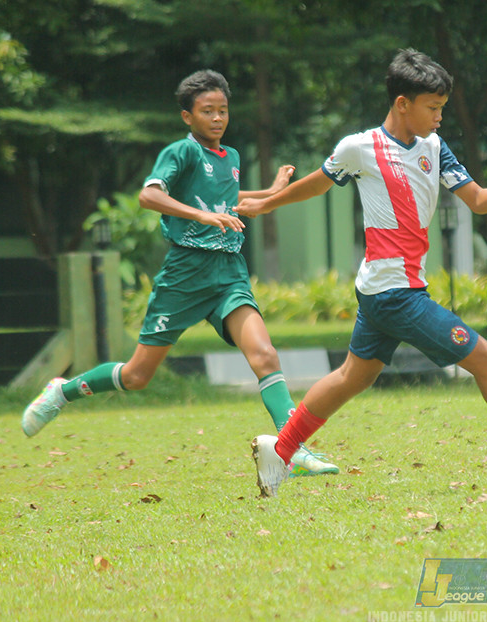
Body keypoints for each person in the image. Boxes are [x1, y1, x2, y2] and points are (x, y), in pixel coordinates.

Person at [235, 48, 487, 498]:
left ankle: (278, 452)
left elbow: (477, 200)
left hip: (386, 291)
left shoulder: (435, 148)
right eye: (432, 108)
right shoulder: (360, 147)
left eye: (442, 108)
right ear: (402, 103)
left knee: (351, 378)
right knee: (485, 358)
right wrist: (264, 203)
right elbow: (317, 183)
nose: (439, 117)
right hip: (394, 294)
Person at [21, 69, 338, 477]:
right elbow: (150, 195)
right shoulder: (181, 152)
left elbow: (228, 196)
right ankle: (61, 391)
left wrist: (271, 191)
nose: (218, 118)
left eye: (223, 110)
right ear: (188, 116)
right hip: (185, 275)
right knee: (137, 376)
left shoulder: (233, 157)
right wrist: (201, 216)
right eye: (208, 111)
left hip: (228, 273)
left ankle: (291, 448)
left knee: (264, 354)